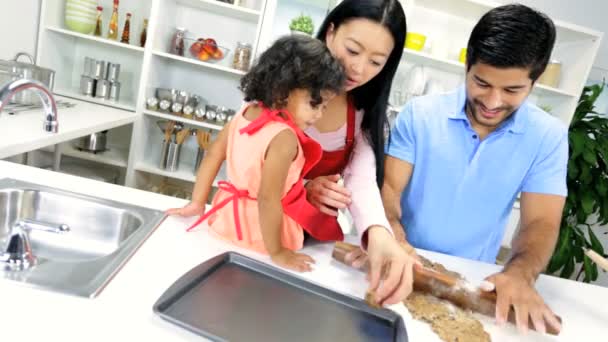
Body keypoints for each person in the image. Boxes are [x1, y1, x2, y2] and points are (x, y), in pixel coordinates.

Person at [382, 4, 565, 335]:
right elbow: (390, 192)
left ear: (534, 83)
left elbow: (541, 221)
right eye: (481, 82)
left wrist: (520, 274)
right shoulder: (419, 114)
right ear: (467, 66)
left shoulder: (548, 136)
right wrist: (390, 232)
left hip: (474, 280)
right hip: (403, 260)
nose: (493, 102)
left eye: (512, 90)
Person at [168, 35, 345, 272]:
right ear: (283, 91)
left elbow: (213, 155)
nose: (319, 115)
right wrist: (278, 252)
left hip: (226, 221)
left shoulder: (245, 112)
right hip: (262, 235)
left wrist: (197, 203)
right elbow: (267, 198)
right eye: (315, 104)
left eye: (324, 107)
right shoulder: (284, 137)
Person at [302, 0, 420, 306]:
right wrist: (303, 189)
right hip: (254, 228)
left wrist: (379, 234)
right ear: (330, 33)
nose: (358, 68)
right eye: (353, 50)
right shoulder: (284, 87)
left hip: (307, 244)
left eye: (376, 61)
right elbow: (245, 160)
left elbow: (362, 180)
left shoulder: (364, 116)